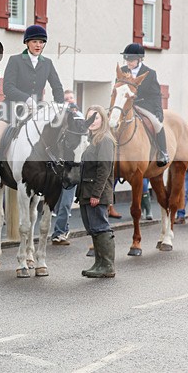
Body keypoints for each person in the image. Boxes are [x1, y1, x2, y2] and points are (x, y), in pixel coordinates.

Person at [0, 24, 64, 188]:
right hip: (11, 108)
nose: (38, 45)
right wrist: (26, 99)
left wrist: (59, 106)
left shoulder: (47, 63)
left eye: (42, 42)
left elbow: (57, 87)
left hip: (36, 111)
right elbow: (8, 87)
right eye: (35, 41)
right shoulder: (15, 60)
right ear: (27, 43)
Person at [76, 105, 117, 278]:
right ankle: (99, 263)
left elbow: (104, 169)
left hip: (96, 192)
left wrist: (96, 194)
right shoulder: (92, 140)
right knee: (93, 228)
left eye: (96, 118)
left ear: (103, 120)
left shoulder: (105, 140)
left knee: (100, 226)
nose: (92, 122)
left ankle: (107, 266)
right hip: (86, 191)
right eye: (90, 118)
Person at [120, 43, 169, 166]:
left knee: (157, 124)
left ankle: (163, 152)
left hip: (143, 105)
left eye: (131, 60)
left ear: (139, 59)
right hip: (125, 105)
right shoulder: (123, 71)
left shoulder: (150, 73)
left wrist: (159, 111)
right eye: (126, 59)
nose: (128, 62)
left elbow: (156, 94)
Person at [51, 89, 79, 245]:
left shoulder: (80, 120)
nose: (69, 101)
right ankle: (63, 229)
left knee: (67, 202)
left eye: (71, 98)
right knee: (58, 202)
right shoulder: (57, 121)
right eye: (66, 99)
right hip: (58, 165)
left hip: (73, 167)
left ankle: (59, 232)